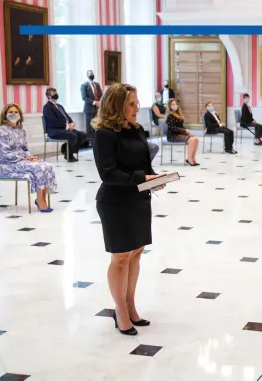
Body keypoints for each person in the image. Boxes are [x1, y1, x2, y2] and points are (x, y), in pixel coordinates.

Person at [93, 83, 165, 336]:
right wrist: (141, 178)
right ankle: (120, 311)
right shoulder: (104, 134)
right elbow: (108, 173)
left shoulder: (136, 130)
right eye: (132, 104)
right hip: (115, 202)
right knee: (120, 258)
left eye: (136, 103)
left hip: (139, 199)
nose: (137, 108)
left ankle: (131, 306)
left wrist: (156, 178)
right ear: (117, 106)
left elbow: (145, 164)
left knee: (136, 253)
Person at [0, 103, 57, 212]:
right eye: (11, 112)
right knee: (39, 168)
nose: (14, 114)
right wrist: (22, 158)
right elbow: (5, 152)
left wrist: (29, 157)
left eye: (16, 112)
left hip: (22, 161)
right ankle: (40, 200)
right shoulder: (2, 130)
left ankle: (41, 197)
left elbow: (25, 148)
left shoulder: (21, 130)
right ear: (5, 114)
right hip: (9, 164)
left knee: (47, 166)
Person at [42, 88, 87, 162]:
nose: (56, 95)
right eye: (54, 93)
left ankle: (67, 151)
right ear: (49, 96)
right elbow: (53, 121)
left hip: (64, 129)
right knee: (73, 136)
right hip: (54, 131)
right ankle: (69, 155)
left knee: (83, 135)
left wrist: (72, 123)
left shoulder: (59, 106)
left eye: (56, 93)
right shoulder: (47, 107)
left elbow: (67, 117)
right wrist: (67, 126)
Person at [166, 98, 199, 166]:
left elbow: (180, 126)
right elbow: (173, 128)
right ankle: (189, 159)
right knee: (192, 140)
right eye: (172, 104)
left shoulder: (178, 114)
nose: (175, 106)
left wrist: (185, 131)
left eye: (175, 104)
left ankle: (193, 158)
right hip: (172, 135)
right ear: (169, 106)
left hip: (179, 134)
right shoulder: (170, 115)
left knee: (196, 139)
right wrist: (184, 131)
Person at [81, 70, 103, 146]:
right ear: (87, 75)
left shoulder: (97, 84)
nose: (92, 75)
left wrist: (100, 101)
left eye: (92, 74)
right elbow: (84, 97)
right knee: (89, 126)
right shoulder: (84, 85)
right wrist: (94, 102)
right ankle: (90, 142)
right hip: (89, 109)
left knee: (97, 124)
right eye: (90, 74)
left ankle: (97, 140)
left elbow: (101, 94)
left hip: (98, 108)